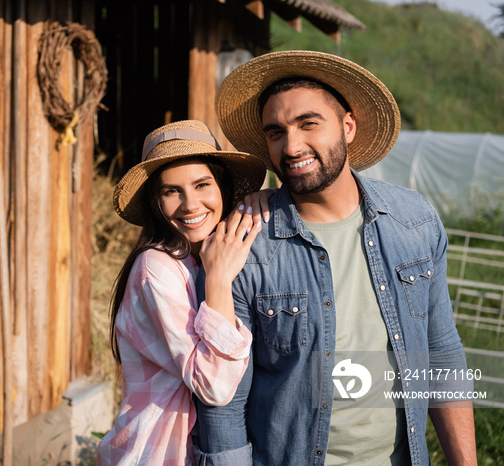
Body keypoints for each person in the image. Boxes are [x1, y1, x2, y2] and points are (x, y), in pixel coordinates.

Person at [194, 50, 477, 465]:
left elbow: (440, 353)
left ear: (347, 127)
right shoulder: (245, 248)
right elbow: (224, 405)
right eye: (276, 132)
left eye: (308, 123)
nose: (291, 146)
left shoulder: (414, 221)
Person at [97, 119, 270, 465]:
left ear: (221, 186)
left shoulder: (200, 256)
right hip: (155, 455)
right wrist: (219, 280)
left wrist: (263, 201)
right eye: (171, 191)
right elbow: (214, 386)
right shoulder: (156, 266)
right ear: (156, 202)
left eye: (202, 184)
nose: (190, 205)